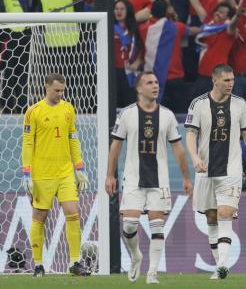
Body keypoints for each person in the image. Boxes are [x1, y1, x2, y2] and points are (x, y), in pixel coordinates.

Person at [104, 71, 193, 284]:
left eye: (156, 81)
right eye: (149, 82)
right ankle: (136, 256)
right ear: (139, 88)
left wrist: (186, 178)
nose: (155, 85)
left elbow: (178, 149)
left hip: (159, 180)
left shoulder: (168, 116)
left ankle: (152, 272)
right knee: (129, 226)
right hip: (133, 179)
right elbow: (115, 146)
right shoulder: (126, 115)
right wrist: (109, 175)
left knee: (157, 226)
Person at [185, 64, 246, 280]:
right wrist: (195, 157)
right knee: (211, 217)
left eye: (233, 80)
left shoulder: (239, 104)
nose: (231, 84)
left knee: (225, 213)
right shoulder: (198, 104)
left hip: (231, 170)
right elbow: (191, 135)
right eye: (227, 80)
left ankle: (221, 265)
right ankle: (218, 265)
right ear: (215, 80)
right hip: (205, 170)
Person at [22, 73, 90, 277]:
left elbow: (73, 138)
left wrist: (79, 168)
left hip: (65, 172)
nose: (60, 94)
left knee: (73, 211)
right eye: (56, 90)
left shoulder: (68, 109)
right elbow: (27, 143)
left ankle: (74, 262)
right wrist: (26, 173)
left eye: (62, 90)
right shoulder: (33, 112)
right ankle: (38, 264)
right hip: (42, 174)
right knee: (39, 217)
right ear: (47, 87)